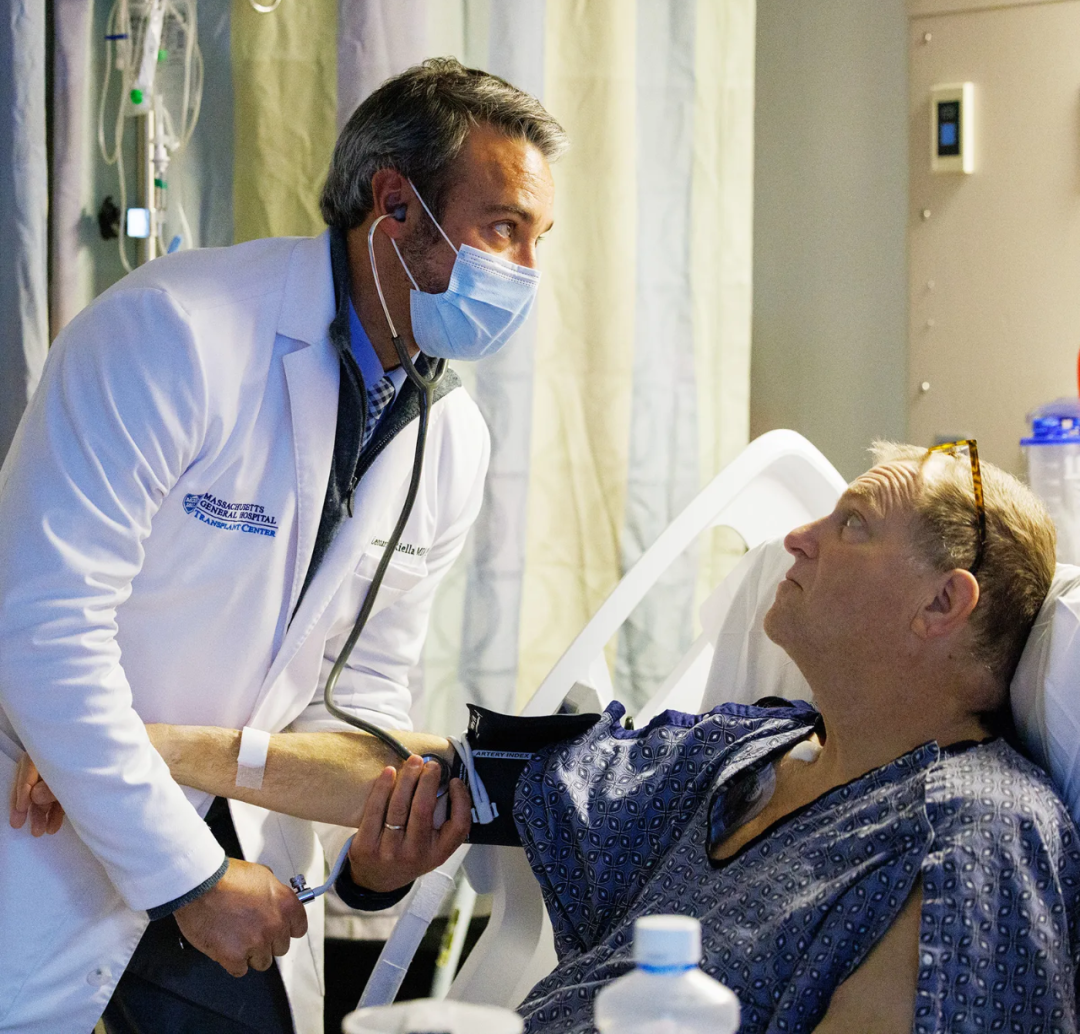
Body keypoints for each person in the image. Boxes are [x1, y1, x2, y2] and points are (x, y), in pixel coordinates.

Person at [32, 441, 1080, 1033]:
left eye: (851, 525)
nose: (797, 537)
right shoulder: (741, 756)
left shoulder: (972, 842)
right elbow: (450, 775)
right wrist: (142, 750)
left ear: (942, 603)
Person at [0, 57, 566, 1034]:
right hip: (49, 835)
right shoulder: (175, 335)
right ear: (395, 204)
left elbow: (358, 690)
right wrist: (189, 877)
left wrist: (373, 858)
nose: (522, 273)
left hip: (239, 863)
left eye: (537, 241)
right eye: (502, 229)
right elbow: (41, 628)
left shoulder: (451, 440)